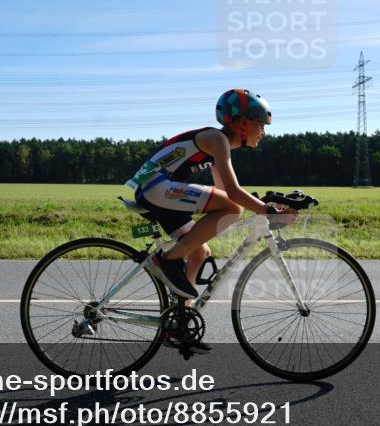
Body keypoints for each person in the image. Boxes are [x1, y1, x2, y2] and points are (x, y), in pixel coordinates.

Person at [125, 89, 297, 350]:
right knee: (231, 209)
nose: (264, 132)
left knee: (199, 252)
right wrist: (266, 210)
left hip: (160, 189)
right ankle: (166, 260)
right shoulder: (216, 139)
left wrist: (266, 205)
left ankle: (180, 322)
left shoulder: (219, 145)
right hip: (156, 187)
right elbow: (232, 195)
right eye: (261, 125)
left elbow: (226, 187)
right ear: (241, 123)